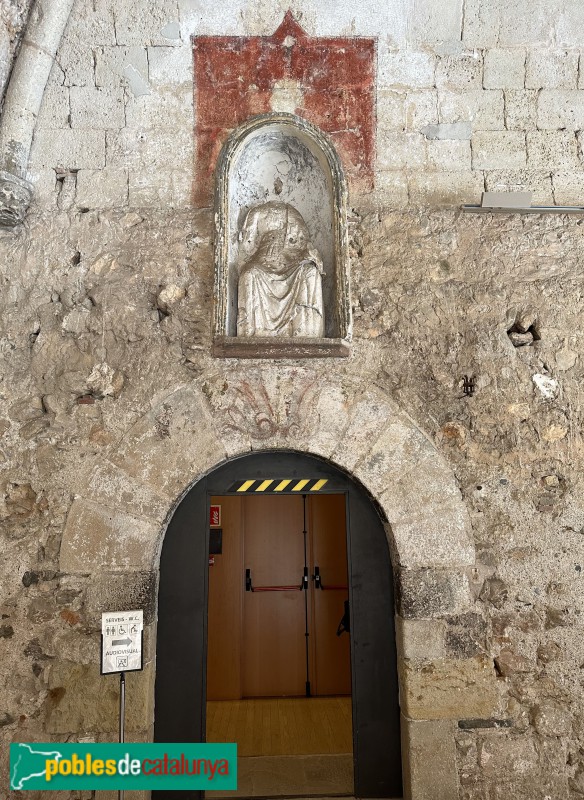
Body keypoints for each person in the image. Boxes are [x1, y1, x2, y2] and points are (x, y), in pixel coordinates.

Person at [236, 201, 324, 337]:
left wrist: (310, 256)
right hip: (262, 263)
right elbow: (247, 246)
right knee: (248, 274)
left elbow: (303, 243)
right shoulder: (256, 213)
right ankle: (250, 333)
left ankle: (305, 333)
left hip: (290, 263)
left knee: (310, 272)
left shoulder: (293, 214)